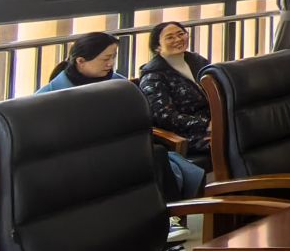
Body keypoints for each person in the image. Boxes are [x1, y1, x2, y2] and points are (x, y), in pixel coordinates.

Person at [44, 31, 208, 201]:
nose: (111, 63)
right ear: (80, 61)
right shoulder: (50, 95)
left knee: (157, 155)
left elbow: (139, 119)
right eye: (105, 59)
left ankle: (166, 211)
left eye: (113, 57)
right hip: (83, 155)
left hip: (122, 147)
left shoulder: (119, 84)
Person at [135, 22, 216, 169]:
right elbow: (165, 116)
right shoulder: (153, 76)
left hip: (215, 122)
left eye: (181, 34)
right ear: (157, 47)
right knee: (233, 139)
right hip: (185, 133)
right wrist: (206, 124)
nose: (178, 39)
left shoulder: (198, 61)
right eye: (170, 37)